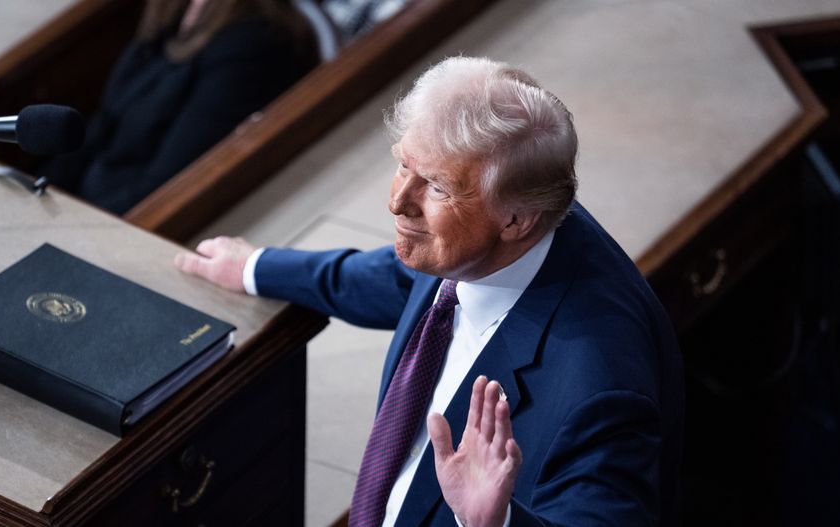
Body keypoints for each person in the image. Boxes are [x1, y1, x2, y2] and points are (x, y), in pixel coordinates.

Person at [175, 56, 683, 526]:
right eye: (403, 165)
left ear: (515, 219)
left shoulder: (600, 384)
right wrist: (255, 268)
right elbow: (402, 278)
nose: (398, 202)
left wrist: (495, 522)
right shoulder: (495, 232)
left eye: (437, 186)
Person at [37, 0, 316, 214]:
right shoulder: (173, 12)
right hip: (87, 200)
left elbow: (169, 182)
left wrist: (76, 223)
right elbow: (105, 123)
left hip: (123, 221)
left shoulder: (256, 41)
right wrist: (41, 190)